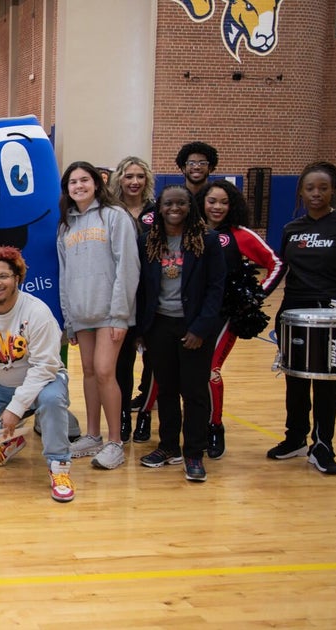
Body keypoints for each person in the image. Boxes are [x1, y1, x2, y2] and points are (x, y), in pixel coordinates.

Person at [268, 161, 336, 474]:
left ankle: (323, 444)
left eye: (323, 188)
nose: (316, 194)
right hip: (294, 308)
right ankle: (295, 437)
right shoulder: (291, 229)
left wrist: (329, 289)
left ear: (333, 190)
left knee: (328, 378)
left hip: (334, 309)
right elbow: (284, 266)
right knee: (295, 376)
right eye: (310, 188)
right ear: (301, 191)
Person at [0, 246, 75, 502]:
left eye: (3, 276)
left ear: (17, 278)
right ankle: (12, 439)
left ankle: (59, 466)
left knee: (52, 400)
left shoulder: (37, 312)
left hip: (45, 380)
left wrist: (16, 408)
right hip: (2, 384)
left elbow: (45, 367)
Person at [134, 186, 225, 482]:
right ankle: (169, 446)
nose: (175, 208)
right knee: (167, 389)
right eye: (169, 203)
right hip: (159, 325)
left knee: (195, 392)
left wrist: (200, 328)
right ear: (159, 208)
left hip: (194, 326)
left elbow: (216, 289)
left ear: (191, 207)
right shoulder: (148, 241)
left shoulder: (207, 241)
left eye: (181, 203)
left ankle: (194, 452)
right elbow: (142, 289)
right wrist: (142, 329)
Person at [57, 161, 139, 470]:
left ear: (96, 183)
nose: (78, 186)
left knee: (106, 372)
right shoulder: (66, 224)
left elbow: (127, 267)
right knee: (89, 372)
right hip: (81, 313)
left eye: (84, 180)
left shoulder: (115, 217)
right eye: (73, 182)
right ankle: (92, 435)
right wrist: (69, 318)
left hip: (109, 312)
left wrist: (120, 314)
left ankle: (115, 440)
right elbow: (65, 274)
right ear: (67, 189)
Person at [197, 180, 282, 458]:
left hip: (224, 316)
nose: (217, 207)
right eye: (212, 201)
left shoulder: (240, 235)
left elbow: (276, 264)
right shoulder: (190, 231)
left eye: (223, 202)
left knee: (211, 371)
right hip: (191, 314)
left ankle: (214, 426)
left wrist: (255, 297)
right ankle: (192, 426)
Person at [108, 156, 156, 442]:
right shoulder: (112, 211)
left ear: (146, 179)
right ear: (120, 180)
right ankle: (123, 416)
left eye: (139, 176)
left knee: (153, 362)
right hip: (123, 295)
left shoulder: (158, 211)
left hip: (152, 296)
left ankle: (146, 416)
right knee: (122, 363)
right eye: (128, 176)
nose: (134, 181)